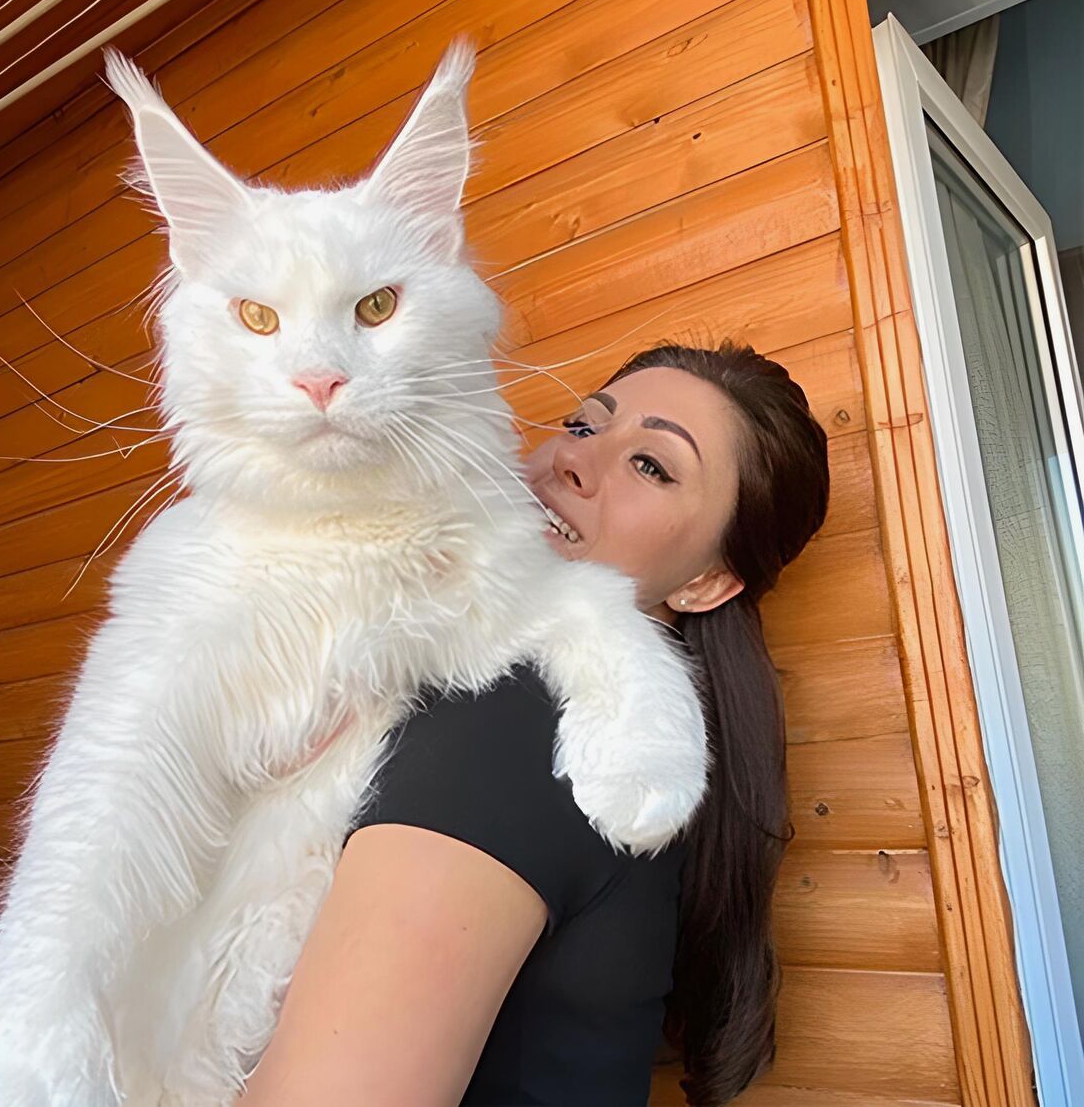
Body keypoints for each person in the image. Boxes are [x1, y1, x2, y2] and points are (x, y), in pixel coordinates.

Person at [239, 340, 830, 1107]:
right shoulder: (588, 736)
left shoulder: (522, 720)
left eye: (651, 465)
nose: (571, 459)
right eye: (583, 425)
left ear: (708, 581)